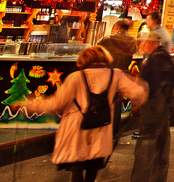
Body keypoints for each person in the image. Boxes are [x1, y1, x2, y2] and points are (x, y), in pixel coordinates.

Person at [22, 46, 146, 182]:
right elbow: (139, 92)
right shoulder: (115, 75)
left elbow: (55, 104)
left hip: (77, 129)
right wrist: (123, 98)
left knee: (77, 168)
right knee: (93, 167)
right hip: (101, 127)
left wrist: (28, 104)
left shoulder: (75, 77)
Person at [131, 31, 174, 182]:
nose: (142, 46)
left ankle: (140, 179)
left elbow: (150, 87)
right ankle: (159, 179)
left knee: (146, 149)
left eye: (143, 43)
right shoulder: (165, 57)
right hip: (164, 108)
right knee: (162, 147)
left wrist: (138, 100)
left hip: (154, 109)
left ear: (149, 43)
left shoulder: (156, 60)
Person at [97, 20, 137, 138]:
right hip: (123, 75)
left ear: (117, 27)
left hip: (108, 74)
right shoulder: (133, 41)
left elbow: (95, 51)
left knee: (104, 102)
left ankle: (102, 130)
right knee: (116, 104)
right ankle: (113, 131)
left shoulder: (107, 39)